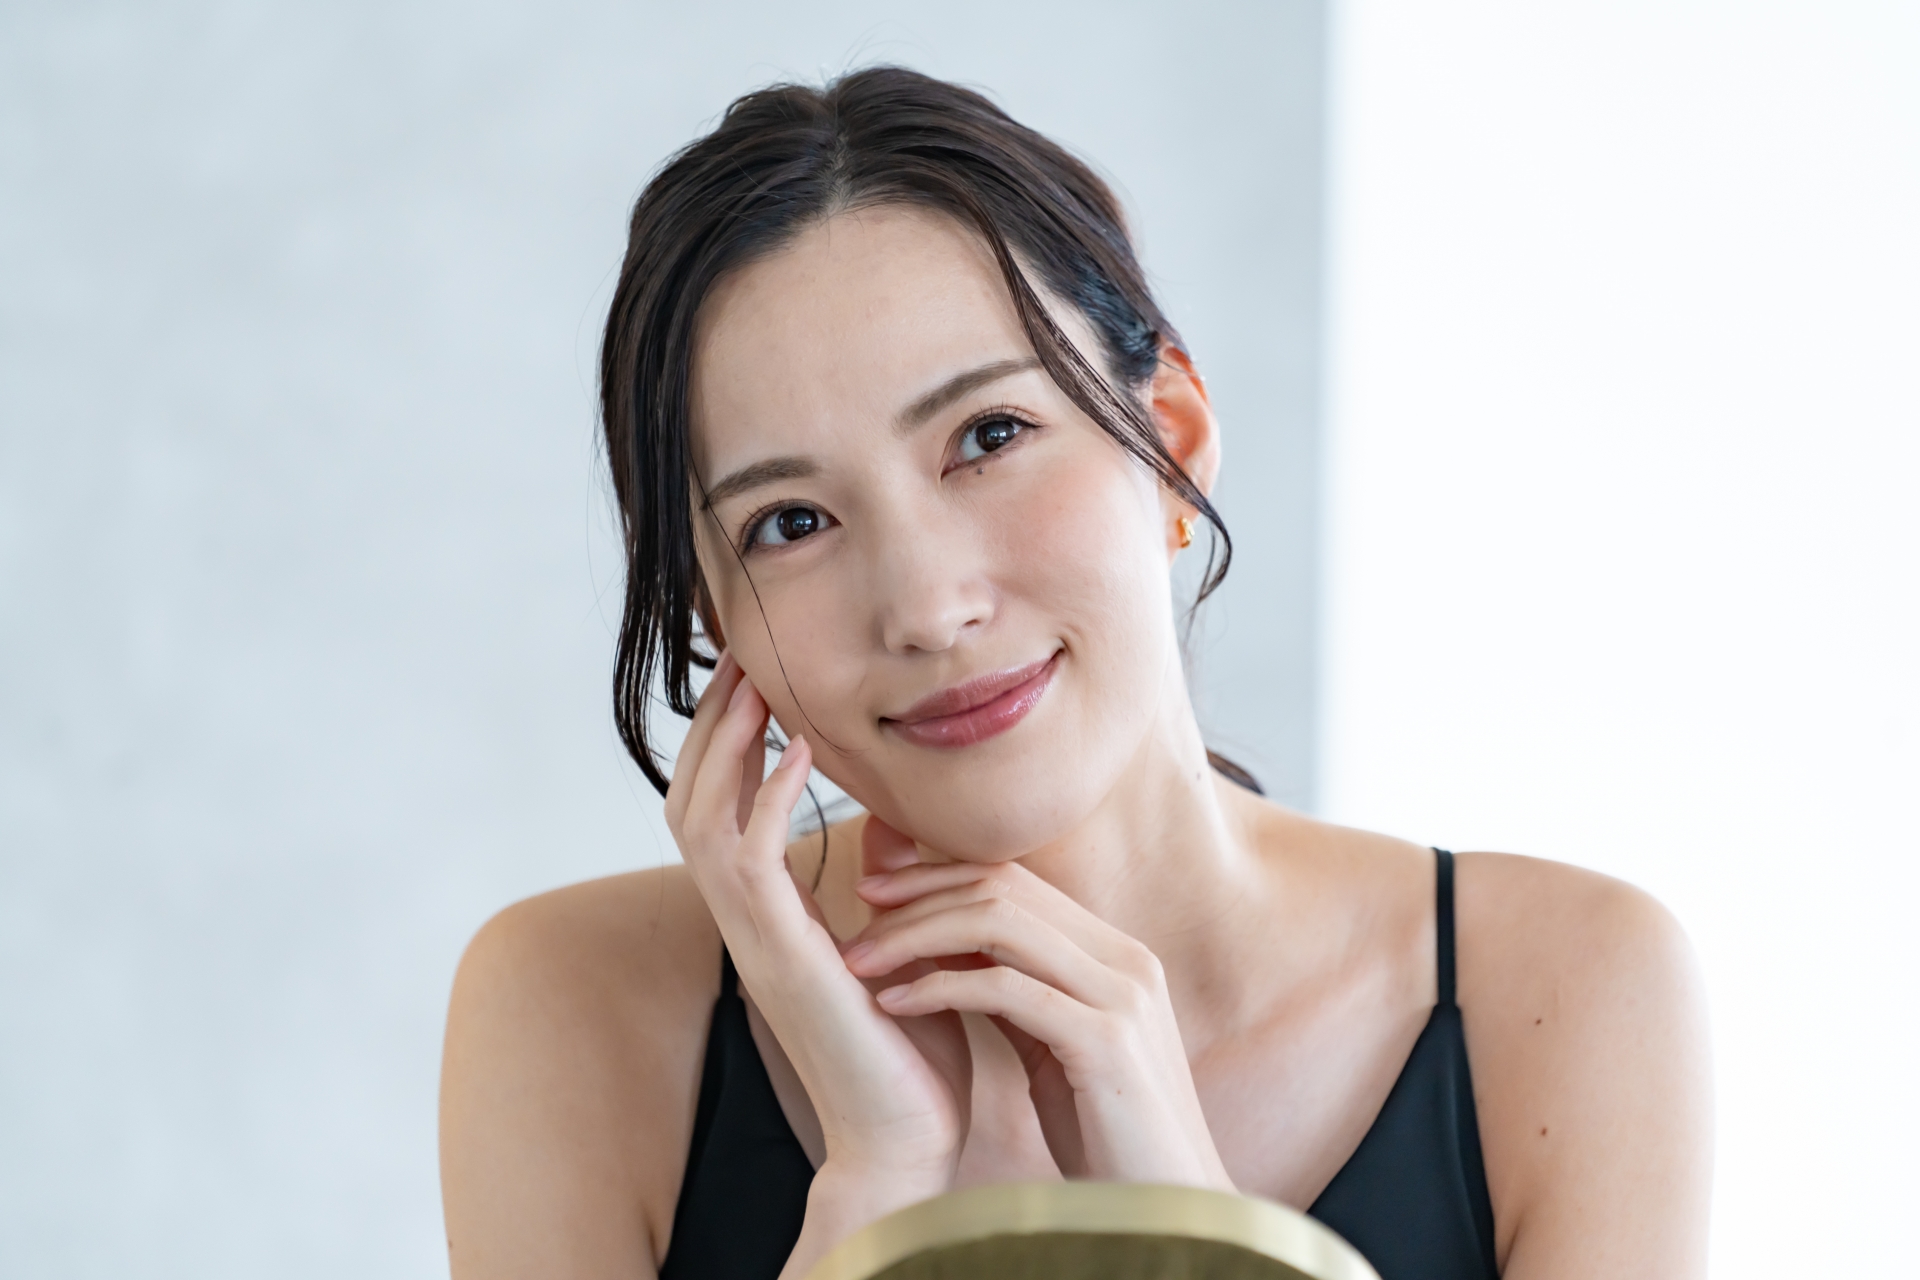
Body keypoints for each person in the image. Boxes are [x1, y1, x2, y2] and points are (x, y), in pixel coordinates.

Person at [437, 67, 1711, 1280]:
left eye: (989, 435)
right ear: (717, 612)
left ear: (1171, 443)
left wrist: (1188, 1219)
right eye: (792, 521)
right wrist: (875, 1186)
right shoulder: (579, 1007)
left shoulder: (1563, 991)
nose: (928, 607)